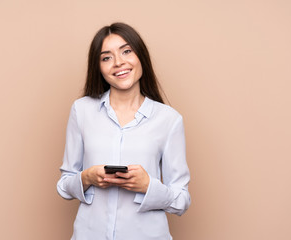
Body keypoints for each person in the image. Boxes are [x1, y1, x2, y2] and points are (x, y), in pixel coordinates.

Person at [57, 22, 191, 240]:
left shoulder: (169, 120)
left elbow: (181, 200)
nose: (119, 63)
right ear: (98, 67)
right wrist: (87, 177)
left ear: (141, 56)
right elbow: (64, 186)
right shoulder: (81, 111)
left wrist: (148, 186)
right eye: (106, 57)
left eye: (127, 51)